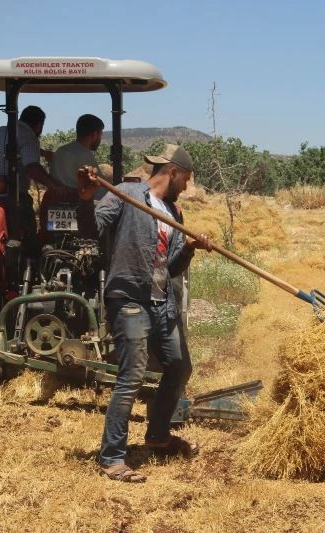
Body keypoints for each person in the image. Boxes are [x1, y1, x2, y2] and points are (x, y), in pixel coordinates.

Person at [78, 144, 212, 483]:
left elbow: (173, 267)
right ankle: (112, 457)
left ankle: (157, 435)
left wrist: (191, 248)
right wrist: (85, 198)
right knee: (132, 374)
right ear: (173, 172)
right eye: (186, 180)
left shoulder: (174, 213)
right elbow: (92, 229)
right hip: (129, 298)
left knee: (180, 366)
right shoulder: (125, 193)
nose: (185, 187)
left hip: (160, 301)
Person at [0, 105, 66, 257]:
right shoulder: (29, 136)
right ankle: (31, 265)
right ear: (39, 125)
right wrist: (54, 185)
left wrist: (44, 153)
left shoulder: (0, 131)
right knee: (31, 236)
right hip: (13, 200)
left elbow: (16, 148)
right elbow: (32, 168)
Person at [50, 114, 105, 190]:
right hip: (75, 200)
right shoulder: (84, 154)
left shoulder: (60, 150)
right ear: (95, 135)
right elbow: (99, 187)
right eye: (101, 134)